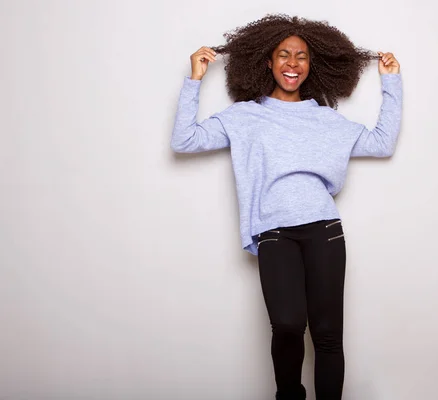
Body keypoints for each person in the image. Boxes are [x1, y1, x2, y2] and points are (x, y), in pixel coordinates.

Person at [170, 13, 402, 400]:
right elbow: (184, 140)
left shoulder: (326, 120)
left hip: (324, 230)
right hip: (274, 232)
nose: (292, 63)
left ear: (312, 66)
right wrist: (194, 79)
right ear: (268, 61)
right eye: (284, 54)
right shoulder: (245, 115)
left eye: (301, 56)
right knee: (288, 325)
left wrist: (391, 82)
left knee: (327, 334)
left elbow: (382, 143)